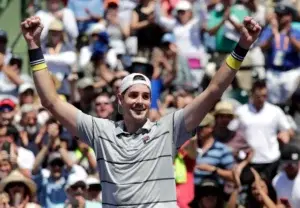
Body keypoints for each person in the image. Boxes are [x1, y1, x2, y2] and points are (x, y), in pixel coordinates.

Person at [21, 15, 261, 207]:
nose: (140, 101)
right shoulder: (100, 131)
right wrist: (33, 46)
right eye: (133, 95)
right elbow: (51, 101)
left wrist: (242, 47)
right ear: (120, 100)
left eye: (146, 96)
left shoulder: (168, 129)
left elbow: (213, 91)